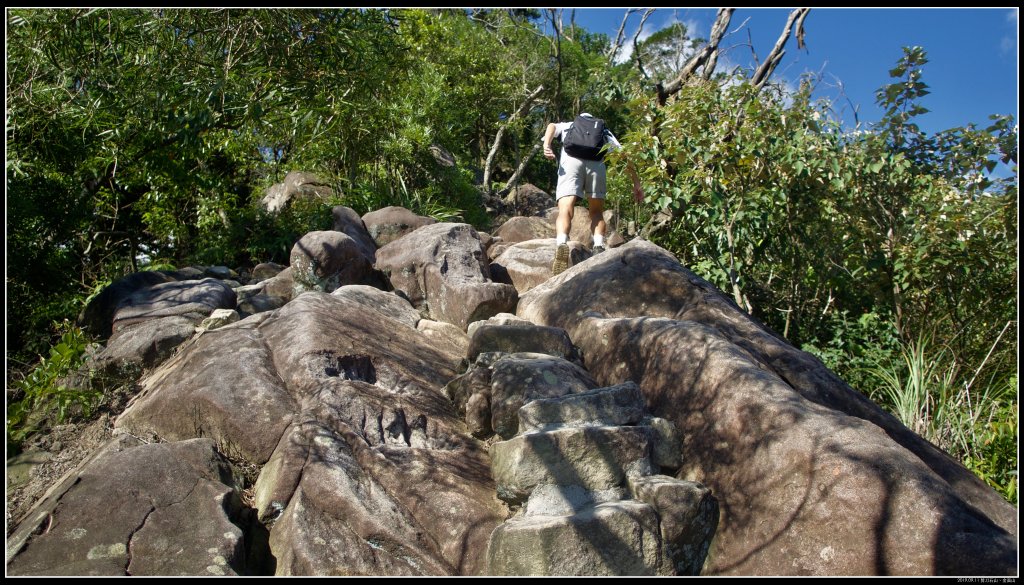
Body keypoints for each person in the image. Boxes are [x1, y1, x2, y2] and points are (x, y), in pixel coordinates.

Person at [543, 113, 643, 275]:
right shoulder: (603, 132)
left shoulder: (570, 125)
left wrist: (547, 145)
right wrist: (636, 183)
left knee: (565, 208)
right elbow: (623, 156)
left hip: (571, 161)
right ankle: (598, 245)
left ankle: (562, 243)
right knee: (596, 212)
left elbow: (552, 126)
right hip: (597, 164)